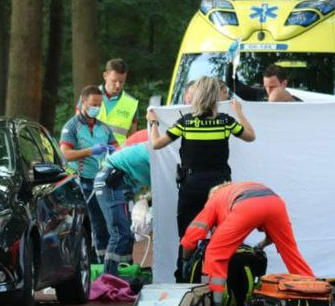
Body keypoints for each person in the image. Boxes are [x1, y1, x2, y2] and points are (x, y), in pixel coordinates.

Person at [147, 76, 256, 281]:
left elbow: (156, 144)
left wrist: (153, 123)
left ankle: (183, 279)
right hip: (222, 187)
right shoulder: (225, 121)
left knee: (188, 235)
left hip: (192, 185)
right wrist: (239, 111)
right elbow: (250, 136)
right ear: (215, 97)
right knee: (222, 235)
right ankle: (220, 280)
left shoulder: (186, 122)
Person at [180, 181, 315, 305]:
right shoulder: (236, 189)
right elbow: (272, 236)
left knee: (214, 253)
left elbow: (193, 234)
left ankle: (215, 304)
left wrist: (185, 259)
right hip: (275, 202)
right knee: (291, 252)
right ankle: (316, 293)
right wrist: (259, 246)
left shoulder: (214, 198)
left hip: (246, 205)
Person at [61, 85, 118, 259]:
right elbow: (65, 154)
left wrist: (114, 153)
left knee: (104, 222)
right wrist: (90, 151)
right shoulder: (72, 126)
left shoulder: (104, 128)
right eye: (94, 104)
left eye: (100, 105)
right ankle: (91, 261)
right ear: (83, 102)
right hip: (81, 181)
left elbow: (117, 147)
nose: (97, 108)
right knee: (90, 222)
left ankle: (103, 260)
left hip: (102, 180)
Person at [94, 142, 151, 276]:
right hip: (112, 180)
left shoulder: (157, 152)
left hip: (120, 181)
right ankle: (109, 277)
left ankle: (125, 272)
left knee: (127, 235)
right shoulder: (158, 157)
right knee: (120, 233)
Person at [97, 58, 140, 146]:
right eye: (114, 81)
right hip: (90, 152)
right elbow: (77, 128)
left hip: (118, 153)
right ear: (105, 76)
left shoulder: (132, 104)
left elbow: (132, 138)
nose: (118, 85)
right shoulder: (88, 96)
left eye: (121, 82)